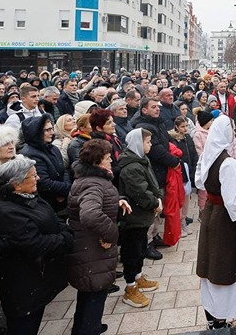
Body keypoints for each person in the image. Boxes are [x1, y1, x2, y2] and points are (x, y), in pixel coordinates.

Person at [0, 155, 73, 335]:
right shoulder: (8, 211)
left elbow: (53, 219)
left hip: (37, 279)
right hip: (23, 284)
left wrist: (64, 231)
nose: (38, 179)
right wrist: (66, 239)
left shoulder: (31, 197)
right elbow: (35, 244)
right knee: (24, 326)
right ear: (16, 184)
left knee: (33, 320)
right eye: (32, 176)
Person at [67, 139, 132, 335]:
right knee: (94, 295)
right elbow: (90, 214)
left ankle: (86, 327)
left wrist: (117, 201)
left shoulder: (93, 180)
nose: (111, 160)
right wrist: (111, 233)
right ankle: (88, 329)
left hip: (88, 250)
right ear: (96, 163)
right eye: (106, 158)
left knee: (88, 294)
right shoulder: (93, 183)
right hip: (91, 249)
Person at [196, 117, 236, 329]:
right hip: (226, 220)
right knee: (226, 266)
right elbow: (235, 203)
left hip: (211, 214)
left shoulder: (209, 156)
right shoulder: (228, 163)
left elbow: (200, 181)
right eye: (232, 129)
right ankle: (220, 319)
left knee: (212, 265)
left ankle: (213, 317)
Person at [117, 128, 162, 307]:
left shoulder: (142, 160)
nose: (150, 145)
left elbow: (152, 183)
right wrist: (154, 202)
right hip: (134, 218)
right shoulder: (131, 167)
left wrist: (158, 198)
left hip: (143, 216)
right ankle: (130, 288)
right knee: (132, 251)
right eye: (147, 142)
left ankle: (137, 276)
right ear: (138, 143)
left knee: (141, 247)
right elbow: (140, 192)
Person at [130, 98, 178, 252]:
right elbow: (156, 150)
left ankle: (155, 235)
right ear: (144, 110)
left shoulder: (158, 122)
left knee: (159, 205)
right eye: (153, 107)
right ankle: (147, 243)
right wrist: (173, 161)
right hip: (153, 171)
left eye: (158, 107)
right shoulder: (144, 126)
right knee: (153, 208)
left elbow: (165, 141)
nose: (157, 109)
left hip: (160, 171)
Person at [19, 114, 72, 214]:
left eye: (51, 129)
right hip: (47, 204)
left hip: (61, 201)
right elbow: (43, 183)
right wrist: (65, 189)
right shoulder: (30, 154)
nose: (52, 132)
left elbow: (63, 170)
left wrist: (66, 188)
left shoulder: (53, 148)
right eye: (47, 130)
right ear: (36, 132)